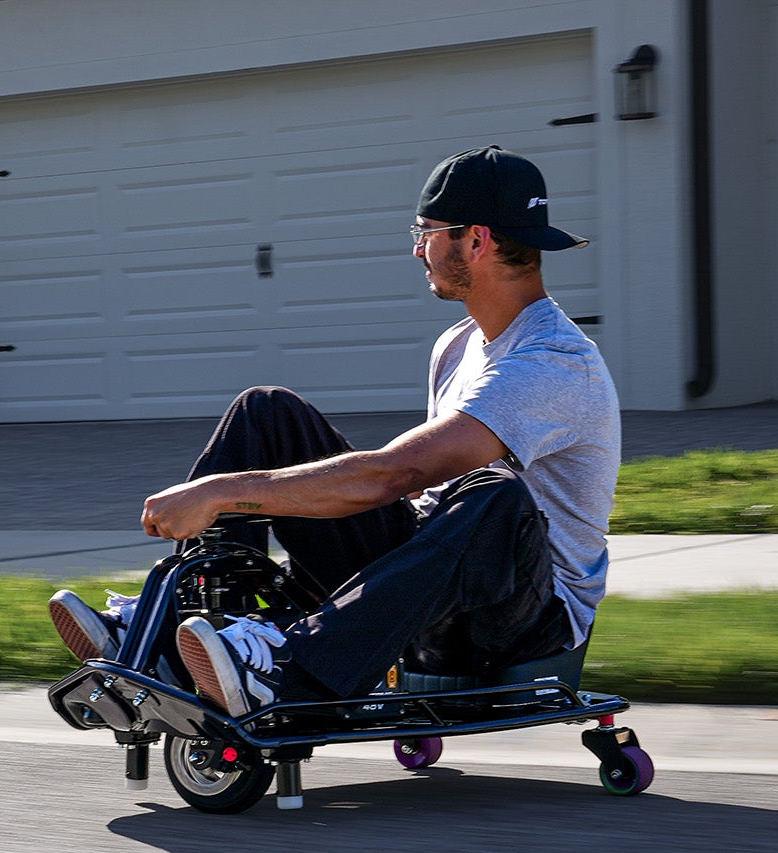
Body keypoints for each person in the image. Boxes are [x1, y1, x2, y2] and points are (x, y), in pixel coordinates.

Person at [50, 145, 620, 716]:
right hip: (434, 595)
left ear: (477, 240)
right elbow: (411, 498)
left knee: (495, 494)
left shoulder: (554, 362)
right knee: (265, 412)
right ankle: (178, 627)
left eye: (427, 232)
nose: (418, 249)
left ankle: (282, 668)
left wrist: (220, 492)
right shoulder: (458, 346)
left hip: (521, 624)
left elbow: (397, 474)